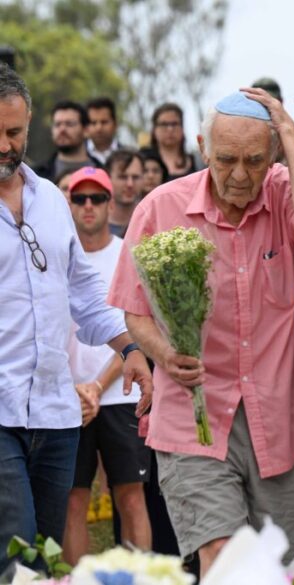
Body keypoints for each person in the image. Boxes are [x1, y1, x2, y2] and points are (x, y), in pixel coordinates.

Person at [108, 89, 294, 576]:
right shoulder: (159, 208)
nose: (239, 174)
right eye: (227, 158)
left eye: (255, 160)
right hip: (195, 423)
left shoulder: (281, 193)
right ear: (202, 148)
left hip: (282, 425)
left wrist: (290, 136)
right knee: (222, 563)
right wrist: (164, 355)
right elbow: (135, 311)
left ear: (273, 155)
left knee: (291, 571)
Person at [0, 63, 152, 574]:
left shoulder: (49, 199)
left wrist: (129, 348)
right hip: (0, 415)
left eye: (14, 132)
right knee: (14, 549)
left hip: (56, 412)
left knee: (45, 554)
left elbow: (84, 291)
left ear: (30, 126)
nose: (4, 144)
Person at [62, 166, 152, 565]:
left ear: (110, 203)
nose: (87, 206)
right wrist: (75, 387)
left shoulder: (127, 255)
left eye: (96, 198)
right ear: (68, 204)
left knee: (131, 495)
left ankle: (145, 578)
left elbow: (134, 327)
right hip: (68, 397)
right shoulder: (53, 253)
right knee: (73, 499)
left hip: (120, 392)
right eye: (78, 198)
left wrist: (97, 385)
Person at [35, 100, 102, 182]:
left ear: (86, 130)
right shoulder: (37, 175)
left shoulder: (102, 171)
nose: (62, 129)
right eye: (57, 124)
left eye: (69, 124)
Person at [143, 103, 199, 180]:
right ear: (154, 129)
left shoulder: (198, 162)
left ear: (182, 128)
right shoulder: (142, 160)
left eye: (174, 124)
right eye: (164, 124)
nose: (170, 129)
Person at [105, 149, 145, 238]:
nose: (130, 184)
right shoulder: (95, 224)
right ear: (108, 178)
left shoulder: (151, 221)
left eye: (135, 177)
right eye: (122, 177)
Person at [86, 97, 124, 165]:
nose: (99, 128)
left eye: (104, 122)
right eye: (93, 123)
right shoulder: (77, 156)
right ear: (86, 126)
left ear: (115, 125)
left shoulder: (126, 156)